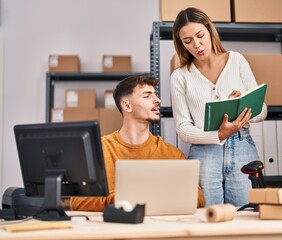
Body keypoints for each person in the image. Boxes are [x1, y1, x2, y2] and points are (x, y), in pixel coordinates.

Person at [170, 8, 267, 207]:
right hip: (204, 154)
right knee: (207, 219)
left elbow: (262, 110)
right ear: (181, 44)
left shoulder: (237, 60)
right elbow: (183, 128)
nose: (197, 45)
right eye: (187, 41)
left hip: (243, 149)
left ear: (210, 31)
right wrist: (219, 135)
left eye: (200, 36)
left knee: (245, 219)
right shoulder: (179, 76)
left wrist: (244, 112)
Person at [70, 75, 205, 211]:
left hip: (158, 229)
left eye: (155, 95)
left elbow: (198, 197)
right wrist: (122, 200)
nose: (157, 100)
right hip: (113, 228)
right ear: (127, 106)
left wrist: (145, 198)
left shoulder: (171, 153)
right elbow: (77, 201)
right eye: (147, 96)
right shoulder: (99, 150)